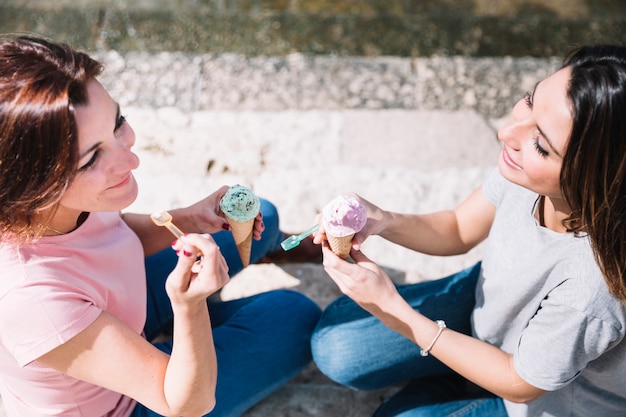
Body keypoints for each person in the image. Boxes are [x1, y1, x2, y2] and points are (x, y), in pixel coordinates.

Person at [0, 35, 322, 417]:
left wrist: (188, 217)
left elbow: (105, 235)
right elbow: (187, 403)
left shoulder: (57, 205)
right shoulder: (32, 301)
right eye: (91, 160)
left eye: (117, 123)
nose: (130, 159)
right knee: (294, 315)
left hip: (118, 309)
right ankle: (181, 336)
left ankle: (249, 275)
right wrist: (190, 308)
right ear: (31, 186)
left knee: (260, 217)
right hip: (132, 405)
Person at [310, 44, 626, 417]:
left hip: (536, 402)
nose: (507, 133)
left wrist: (391, 306)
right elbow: (458, 228)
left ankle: (448, 377)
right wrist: (384, 220)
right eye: (529, 100)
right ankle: (452, 369)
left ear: (594, 176)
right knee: (335, 345)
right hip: (486, 311)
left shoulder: (592, 290)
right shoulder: (527, 172)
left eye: (540, 144)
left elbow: (520, 383)